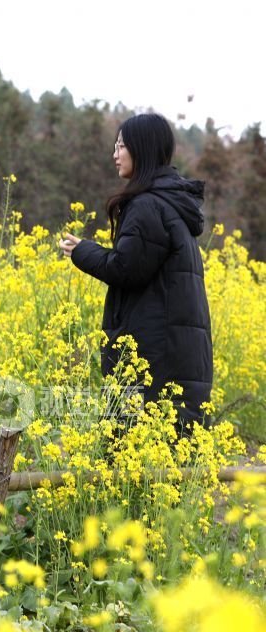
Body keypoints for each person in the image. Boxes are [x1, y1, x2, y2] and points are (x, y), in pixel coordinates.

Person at [60, 113, 212, 431]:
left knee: (135, 458)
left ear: (140, 150)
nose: (115, 154)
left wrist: (82, 251)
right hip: (175, 351)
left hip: (153, 357)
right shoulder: (173, 206)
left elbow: (126, 269)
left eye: (121, 146)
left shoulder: (147, 206)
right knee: (169, 459)